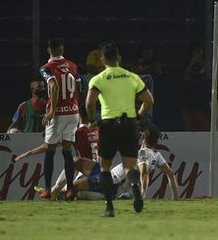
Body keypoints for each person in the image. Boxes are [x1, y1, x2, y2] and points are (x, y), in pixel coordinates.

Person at [86, 42, 154, 217]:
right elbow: (149, 101)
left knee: (104, 168)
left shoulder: (98, 79)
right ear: (119, 58)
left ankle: (110, 208)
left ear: (102, 60)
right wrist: (138, 117)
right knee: (130, 166)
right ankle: (135, 187)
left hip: (108, 125)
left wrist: (93, 120)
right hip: (129, 124)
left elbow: (89, 102)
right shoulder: (132, 77)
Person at [38, 38, 81, 201]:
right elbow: (78, 88)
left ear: (49, 50)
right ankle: (70, 189)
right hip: (73, 112)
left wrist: (51, 111)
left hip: (58, 115)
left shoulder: (46, 68)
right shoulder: (72, 65)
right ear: (62, 49)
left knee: (50, 150)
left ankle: (48, 189)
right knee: (67, 150)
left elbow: (54, 87)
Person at [138, 125, 179, 200]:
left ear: (144, 138)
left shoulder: (143, 152)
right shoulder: (156, 154)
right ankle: (176, 198)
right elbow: (170, 174)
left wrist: (142, 194)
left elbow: (144, 172)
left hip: (119, 179)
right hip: (120, 179)